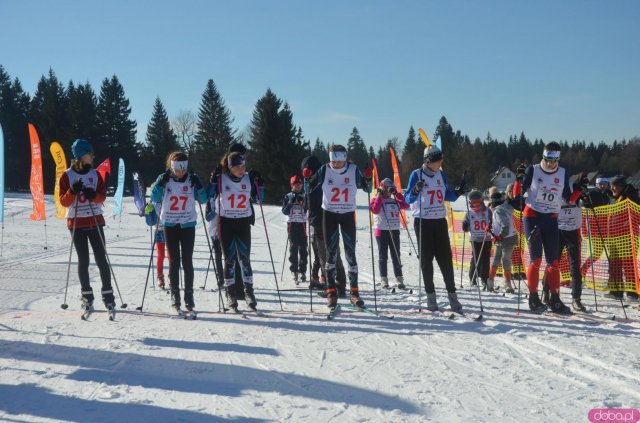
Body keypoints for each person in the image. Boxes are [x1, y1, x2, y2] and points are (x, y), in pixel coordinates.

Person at [513, 141, 585, 314]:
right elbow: (518, 195)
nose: (550, 163)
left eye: (554, 160)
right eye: (547, 159)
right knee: (536, 259)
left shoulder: (563, 172)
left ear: (558, 159)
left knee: (554, 263)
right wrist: (518, 179)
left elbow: (569, 199)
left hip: (552, 218)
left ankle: (555, 299)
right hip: (533, 216)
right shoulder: (534, 170)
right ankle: (533, 298)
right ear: (543, 156)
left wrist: (580, 189)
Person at [307, 145, 371, 309]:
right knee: (331, 254)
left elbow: (367, 188)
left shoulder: (353, 169)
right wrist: (308, 179)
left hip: (348, 215)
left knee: (351, 254)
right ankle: (331, 292)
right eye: (333, 161)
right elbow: (310, 188)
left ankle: (354, 293)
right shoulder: (324, 170)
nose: (335, 164)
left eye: (339, 161)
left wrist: (368, 179)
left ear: (344, 158)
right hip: (329, 215)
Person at [405, 145, 465, 312]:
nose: (441, 162)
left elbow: (447, 195)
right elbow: (408, 198)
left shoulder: (440, 174)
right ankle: (431, 297)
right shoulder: (416, 174)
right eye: (438, 160)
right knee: (426, 261)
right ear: (429, 161)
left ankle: (452, 296)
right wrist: (416, 189)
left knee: (446, 260)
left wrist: (459, 192)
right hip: (423, 222)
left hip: (439, 221)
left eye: (441, 159)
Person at [59, 139, 115, 312]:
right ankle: (87, 295)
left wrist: (93, 195)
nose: (93, 156)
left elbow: (102, 196)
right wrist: (72, 191)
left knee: (101, 259)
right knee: (83, 260)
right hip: (76, 222)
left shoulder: (95, 174)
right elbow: (63, 201)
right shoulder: (67, 176)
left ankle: (108, 296)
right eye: (90, 153)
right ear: (81, 156)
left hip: (95, 220)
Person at [150, 151, 207, 314]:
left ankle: (189, 296)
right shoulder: (165, 178)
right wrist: (159, 184)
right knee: (174, 261)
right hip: (170, 223)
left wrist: (199, 186)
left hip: (188, 223)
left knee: (187, 261)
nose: (180, 172)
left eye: (183, 169)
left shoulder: (191, 178)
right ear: (171, 166)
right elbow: (154, 197)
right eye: (177, 169)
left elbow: (202, 200)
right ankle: (175, 296)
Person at [209, 151, 263, 310]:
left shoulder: (248, 178)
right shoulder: (221, 178)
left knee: (245, 259)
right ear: (229, 167)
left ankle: (249, 293)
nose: (241, 169)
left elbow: (259, 198)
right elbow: (209, 196)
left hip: (242, 222)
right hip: (226, 223)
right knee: (229, 260)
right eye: (237, 167)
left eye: (243, 166)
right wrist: (213, 181)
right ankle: (231, 294)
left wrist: (260, 183)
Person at [301, 155, 348, 295]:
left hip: (321, 221)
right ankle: (340, 284)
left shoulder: (313, 181)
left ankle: (331, 286)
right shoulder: (326, 178)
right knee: (334, 253)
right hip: (332, 219)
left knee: (324, 254)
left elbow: (308, 203)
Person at [542, 198, 587, 311]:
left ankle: (576, 298)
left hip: (573, 230)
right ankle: (546, 293)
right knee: (552, 263)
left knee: (575, 265)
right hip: (557, 229)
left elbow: (586, 203)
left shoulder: (574, 186)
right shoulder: (557, 184)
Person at [369, 178, 410, 289]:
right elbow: (375, 210)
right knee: (383, 256)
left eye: (392, 190)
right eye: (388, 190)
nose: (390, 192)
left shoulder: (394, 200)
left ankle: (399, 278)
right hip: (381, 231)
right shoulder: (375, 199)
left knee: (396, 255)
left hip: (394, 230)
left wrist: (397, 194)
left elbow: (406, 205)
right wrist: (379, 196)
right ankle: (384, 279)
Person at [604, 175, 639, 301]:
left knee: (628, 265)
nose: (612, 188)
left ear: (622, 186)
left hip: (627, 238)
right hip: (614, 237)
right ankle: (616, 291)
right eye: (611, 185)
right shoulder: (615, 198)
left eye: (615, 185)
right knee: (614, 265)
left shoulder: (630, 196)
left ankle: (633, 293)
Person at [580, 175, 612, 278]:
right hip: (595, 227)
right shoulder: (592, 193)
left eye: (605, 184)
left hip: (608, 227)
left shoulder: (609, 194)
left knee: (612, 253)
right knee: (598, 253)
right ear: (597, 184)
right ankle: (583, 270)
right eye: (601, 184)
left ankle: (612, 276)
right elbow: (585, 208)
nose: (603, 186)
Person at [462, 189, 493, 291]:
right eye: (473, 203)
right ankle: (473, 278)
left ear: (482, 200)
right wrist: (465, 226)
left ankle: (484, 278)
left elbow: (492, 221)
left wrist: (491, 225)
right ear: (470, 202)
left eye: (478, 202)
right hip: (475, 238)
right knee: (475, 258)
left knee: (486, 259)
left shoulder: (487, 211)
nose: (476, 205)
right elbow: (465, 223)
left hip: (486, 238)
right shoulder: (469, 212)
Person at [487, 188, 517, 293]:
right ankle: (490, 282)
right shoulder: (505, 208)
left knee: (503, 260)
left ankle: (507, 284)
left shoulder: (498, 211)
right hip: (506, 238)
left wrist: (500, 236)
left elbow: (505, 225)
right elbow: (499, 225)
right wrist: (491, 228)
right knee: (499, 260)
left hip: (505, 239)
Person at [281, 175, 308, 284]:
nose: (298, 186)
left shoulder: (305, 195)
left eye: (300, 183)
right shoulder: (288, 196)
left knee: (303, 249)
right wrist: (290, 203)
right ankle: (294, 271)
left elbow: (307, 209)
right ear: (292, 185)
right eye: (296, 184)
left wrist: (303, 205)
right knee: (293, 248)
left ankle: (302, 271)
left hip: (302, 223)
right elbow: (284, 211)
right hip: (292, 223)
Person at [144, 195, 169, 289]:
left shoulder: (168, 197)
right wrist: (148, 211)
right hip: (159, 231)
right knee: (161, 255)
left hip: (170, 229)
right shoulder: (152, 202)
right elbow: (150, 221)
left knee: (171, 255)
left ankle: (171, 276)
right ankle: (160, 276)